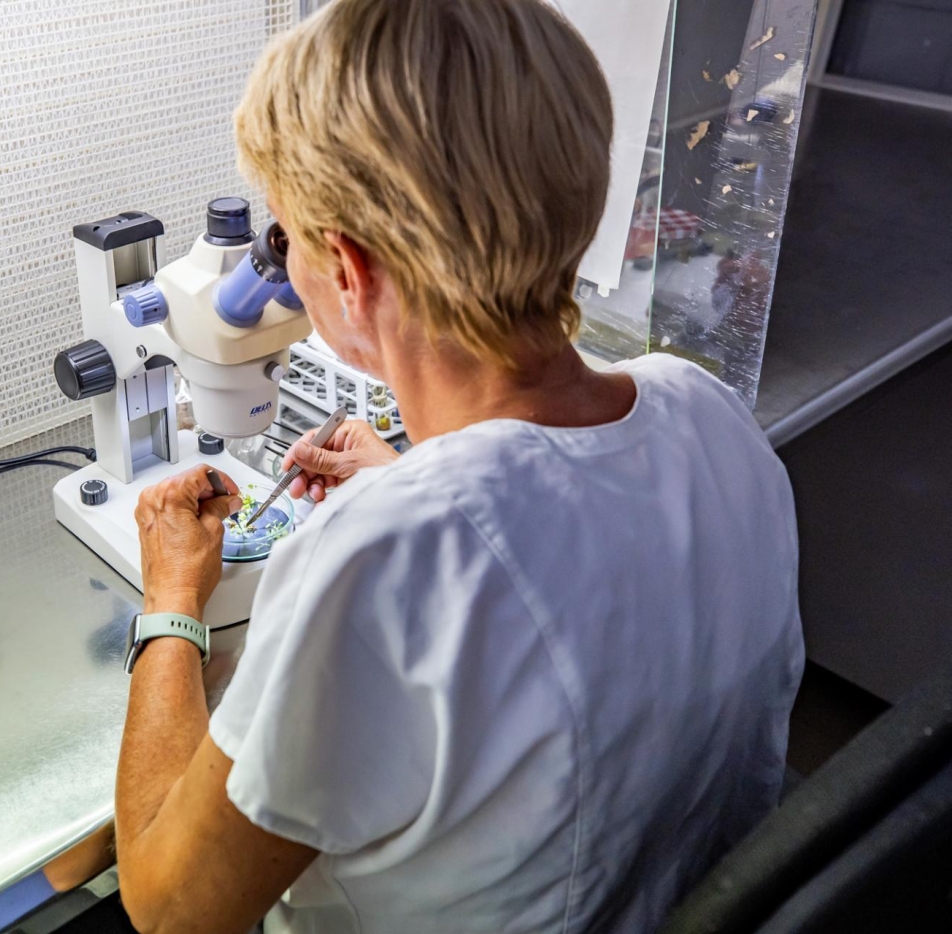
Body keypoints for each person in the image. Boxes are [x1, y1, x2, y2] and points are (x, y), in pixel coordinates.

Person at [114, 0, 804, 931]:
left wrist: (170, 599)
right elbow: (555, 543)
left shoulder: (378, 558)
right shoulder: (708, 411)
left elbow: (169, 911)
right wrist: (411, 479)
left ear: (348, 269)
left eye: (284, 241)